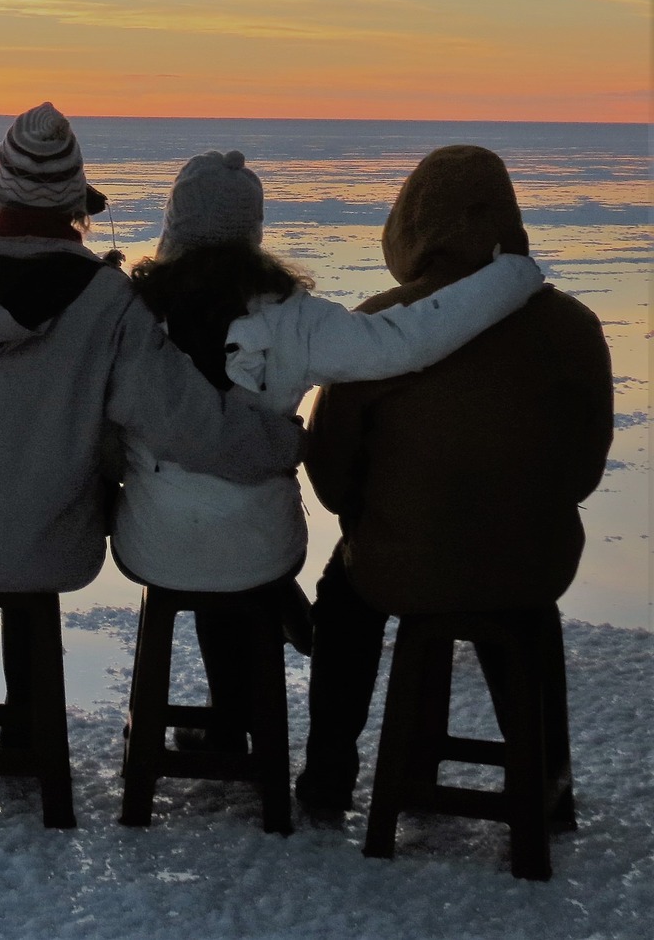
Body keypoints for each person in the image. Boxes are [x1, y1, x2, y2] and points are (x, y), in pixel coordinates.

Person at [110, 149, 544, 742]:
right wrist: (512, 275)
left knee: (193, 522)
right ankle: (246, 696)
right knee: (241, 548)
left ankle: (228, 720)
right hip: (262, 544)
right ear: (253, 232)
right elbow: (406, 341)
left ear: (173, 226)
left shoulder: (129, 315)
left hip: (154, 544)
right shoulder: (297, 320)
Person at [295, 145, 614, 813]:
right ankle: (548, 784)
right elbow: (582, 471)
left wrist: (382, 515)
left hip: (403, 564)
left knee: (346, 595)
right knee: (524, 610)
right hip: (530, 565)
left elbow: (331, 475)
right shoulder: (573, 328)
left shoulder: (382, 323)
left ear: (412, 224)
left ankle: (327, 778)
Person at [0, 105, 304, 597]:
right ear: (79, 205)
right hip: (50, 549)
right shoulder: (105, 299)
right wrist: (283, 444)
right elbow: (181, 420)